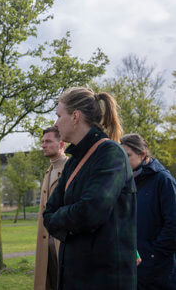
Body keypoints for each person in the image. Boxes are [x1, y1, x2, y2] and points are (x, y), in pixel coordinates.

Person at [43, 87, 137, 289]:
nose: (55, 123)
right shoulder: (73, 162)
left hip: (105, 279)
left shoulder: (110, 154)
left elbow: (90, 212)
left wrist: (61, 218)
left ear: (75, 116)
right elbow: (47, 214)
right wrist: (66, 217)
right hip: (75, 277)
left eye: (59, 116)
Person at [120, 133, 176, 290]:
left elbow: (173, 225)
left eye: (128, 156)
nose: (123, 161)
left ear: (142, 154)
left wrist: (152, 258)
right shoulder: (125, 182)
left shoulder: (163, 180)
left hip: (159, 273)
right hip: (131, 270)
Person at [34, 127, 68, 290]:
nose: (43, 145)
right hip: (46, 248)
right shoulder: (49, 172)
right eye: (42, 142)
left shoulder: (71, 169)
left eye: (48, 141)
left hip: (64, 246)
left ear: (61, 144)